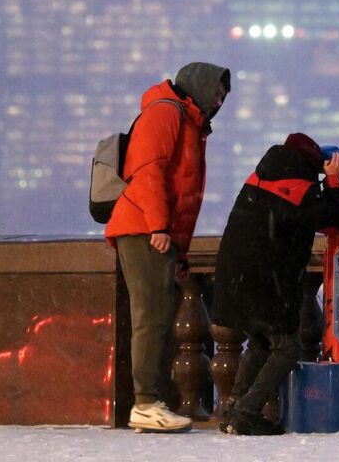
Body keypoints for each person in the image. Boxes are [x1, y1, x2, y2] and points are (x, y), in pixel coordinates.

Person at [104, 62, 228, 432]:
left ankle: (149, 403)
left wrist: (181, 250)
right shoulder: (165, 112)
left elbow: (183, 193)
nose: (220, 101)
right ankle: (144, 403)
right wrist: (159, 226)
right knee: (151, 317)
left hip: (154, 229)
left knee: (155, 316)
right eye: (217, 93)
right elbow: (148, 170)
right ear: (200, 86)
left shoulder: (187, 121)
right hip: (144, 227)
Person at [209, 134, 339, 436]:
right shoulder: (301, 188)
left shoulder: (260, 177)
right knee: (287, 348)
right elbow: (337, 219)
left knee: (261, 340)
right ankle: (246, 412)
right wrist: (334, 181)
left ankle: (233, 408)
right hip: (266, 282)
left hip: (235, 275)